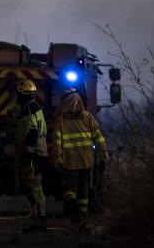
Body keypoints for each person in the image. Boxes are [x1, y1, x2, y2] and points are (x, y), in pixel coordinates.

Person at [52, 87, 107, 224]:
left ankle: (72, 205)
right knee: (83, 187)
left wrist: (57, 159)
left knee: (69, 187)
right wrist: (103, 157)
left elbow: (57, 142)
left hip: (69, 160)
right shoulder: (88, 117)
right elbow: (99, 138)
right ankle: (82, 214)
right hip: (86, 160)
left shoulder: (60, 119)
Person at [15, 79, 48, 232]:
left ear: (22, 95)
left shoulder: (28, 111)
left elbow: (32, 133)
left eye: (18, 94)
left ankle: (39, 220)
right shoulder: (35, 107)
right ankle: (39, 219)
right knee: (36, 186)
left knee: (33, 186)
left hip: (33, 154)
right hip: (39, 152)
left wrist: (28, 154)